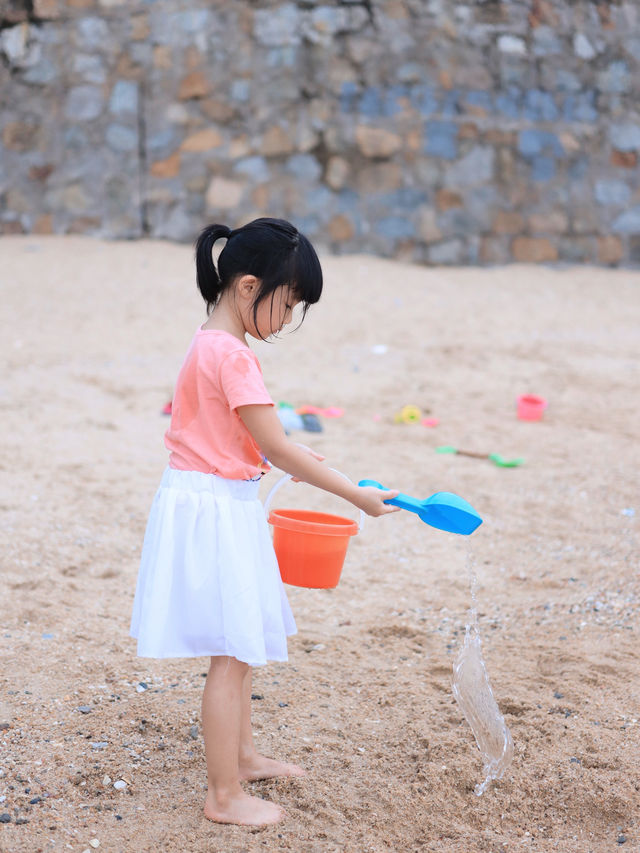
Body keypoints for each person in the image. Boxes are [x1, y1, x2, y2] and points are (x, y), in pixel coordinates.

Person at [130, 218, 399, 826]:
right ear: (250, 286)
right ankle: (223, 795)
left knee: (241, 641)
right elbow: (278, 446)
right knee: (231, 651)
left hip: (216, 499)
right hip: (215, 510)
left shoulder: (212, 341)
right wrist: (356, 495)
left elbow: (249, 440)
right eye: (291, 302)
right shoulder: (233, 356)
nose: (290, 318)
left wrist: (296, 464)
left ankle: (243, 755)